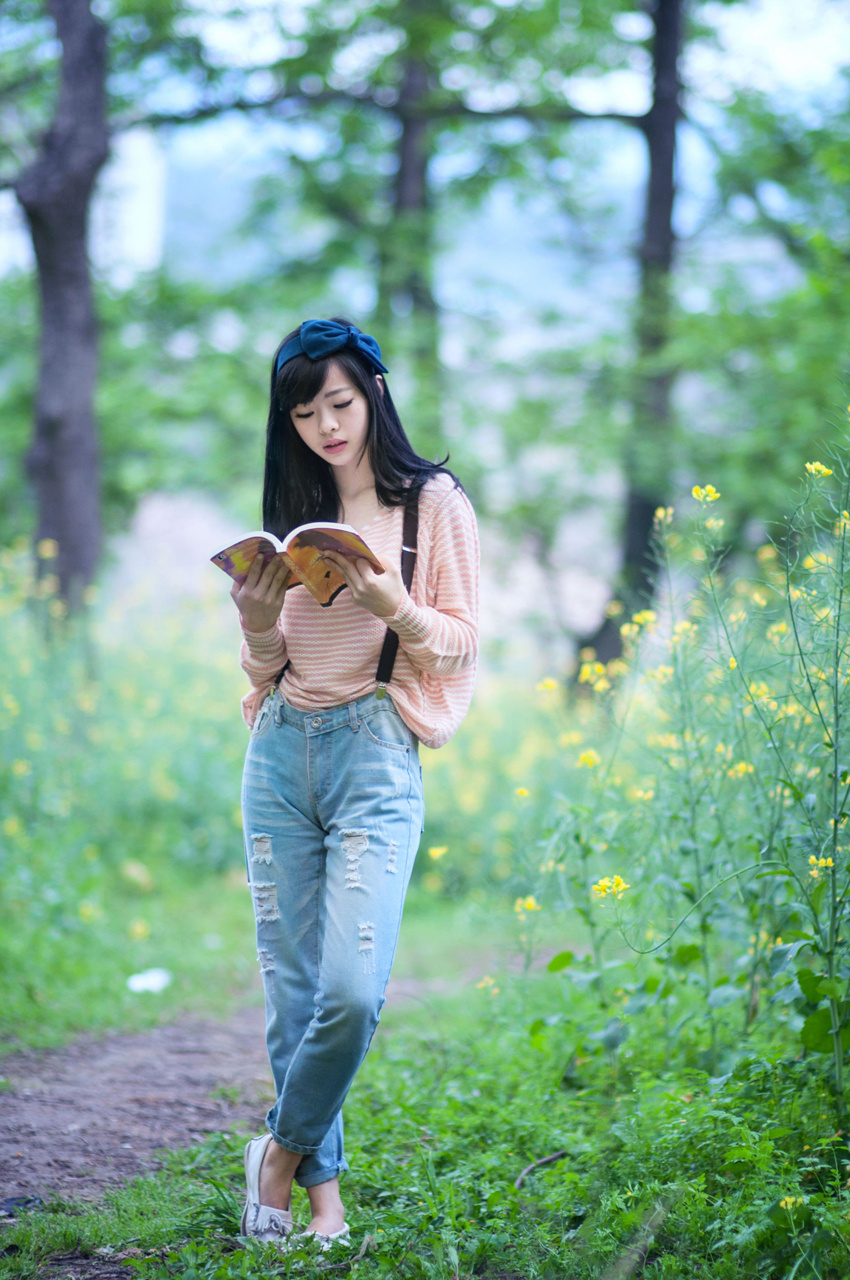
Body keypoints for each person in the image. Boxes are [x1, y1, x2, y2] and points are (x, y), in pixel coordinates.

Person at [231, 318, 479, 1248]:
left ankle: (277, 1157)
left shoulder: (432, 504)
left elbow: (460, 641)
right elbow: (263, 672)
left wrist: (392, 603)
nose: (326, 426)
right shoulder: (295, 511)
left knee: (350, 989)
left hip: (378, 751)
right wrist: (256, 622)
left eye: (339, 402)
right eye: (304, 413)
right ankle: (320, 1202)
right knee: (293, 992)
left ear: (374, 390)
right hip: (282, 748)